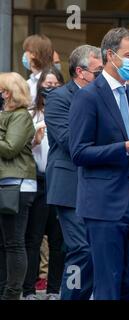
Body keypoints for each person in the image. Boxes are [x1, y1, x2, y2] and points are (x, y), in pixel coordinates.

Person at [69, 27, 129, 300]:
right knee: (108, 284)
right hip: (103, 205)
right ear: (110, 55)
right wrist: (125, 148)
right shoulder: (88, 96)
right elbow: (79, 152)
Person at [45, 45, 102, 300]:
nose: (103, 75)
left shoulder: (104, 96)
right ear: (80, 72)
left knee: (95, 250)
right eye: (98, 71)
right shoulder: (60, 97)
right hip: (69, 184)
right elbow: (70, 141)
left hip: (99, 185)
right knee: (82, 248)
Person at [22, 67, 65, 300]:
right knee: (34, 238)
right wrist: (35, 141)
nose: (50, 89)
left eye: (55, 85)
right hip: (37, 182)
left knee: (58, 241)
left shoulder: (69, 111)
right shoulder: (31, 114)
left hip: (60, 181)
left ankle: (54, 289)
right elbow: (22, 149)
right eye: (46, 85)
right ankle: (28, 290)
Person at [0, 72, 37, 300]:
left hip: (17, 186)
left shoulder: (21, 116)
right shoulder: (6, 115)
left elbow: (10, 147)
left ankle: (12, 293)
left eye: (3, 90)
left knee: (14, 243)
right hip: (7, 184)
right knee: (3, 244)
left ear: (11, 93)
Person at [22, 35, 54, 105]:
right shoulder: (29, 82)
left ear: (33, 54)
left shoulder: (50, 82)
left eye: (26, 51)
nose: (24, 55)